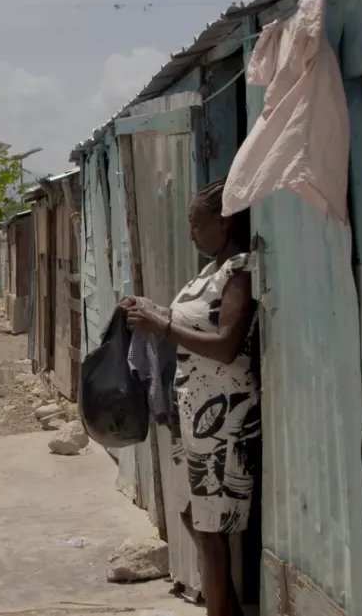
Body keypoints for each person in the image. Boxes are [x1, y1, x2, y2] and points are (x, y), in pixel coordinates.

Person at [119, 181, 257, 616]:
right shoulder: (208, 272)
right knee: (196, 521)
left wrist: (160, 326)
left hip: (225, 420)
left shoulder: (239, 269)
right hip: (197, 418)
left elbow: (225, 344)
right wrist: (150, 311)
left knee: (212, 532)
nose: (192, 233)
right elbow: (190, 323)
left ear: (225, 220)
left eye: (197, 224)